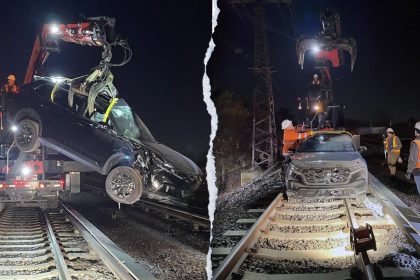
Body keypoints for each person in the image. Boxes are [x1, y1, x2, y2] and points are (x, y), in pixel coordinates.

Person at [405, 122, 420, 193]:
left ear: (417, 131)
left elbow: (412, 160)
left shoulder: (416, 143)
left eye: (415, 130)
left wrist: (408, 172)